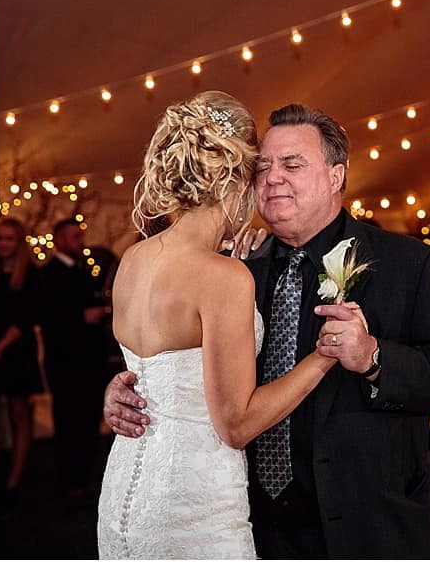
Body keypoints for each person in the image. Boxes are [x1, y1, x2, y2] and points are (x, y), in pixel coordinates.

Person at [104, 103, 430, 558]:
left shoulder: (412, 265)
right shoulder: (235, 268)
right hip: (256, 524)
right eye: (262, 167)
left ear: (336, 175)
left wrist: (375, 358)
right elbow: (192, 370)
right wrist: (132, 389)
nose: (272, 178)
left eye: (292, 164)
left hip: (368, 527)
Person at [96, 91, 340, 558]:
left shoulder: (133, 260)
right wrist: (321, 359)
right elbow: (236, 424)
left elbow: (155, 371)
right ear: (236, 178)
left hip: (125, 490)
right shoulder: (223, 277)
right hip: (194, 503)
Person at [39, 218, 108, 496]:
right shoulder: (48, 274)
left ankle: (84, 478)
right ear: (58, 239)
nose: (79, 241)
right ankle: (67, 480)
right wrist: (81, 317)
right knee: (69, 420)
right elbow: (46, 316)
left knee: (89, 419)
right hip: (65, 362)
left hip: (90, 359)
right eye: (73, 236)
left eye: (80, 235)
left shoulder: (84, 269)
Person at [0, 217, 45, 505]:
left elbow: (26, 317)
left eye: (9, 238)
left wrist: (0, 347)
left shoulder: (31, 275)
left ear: (19, 241)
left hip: (16, 352)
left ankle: (14, 482)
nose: (3, 244)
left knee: (19, 414)